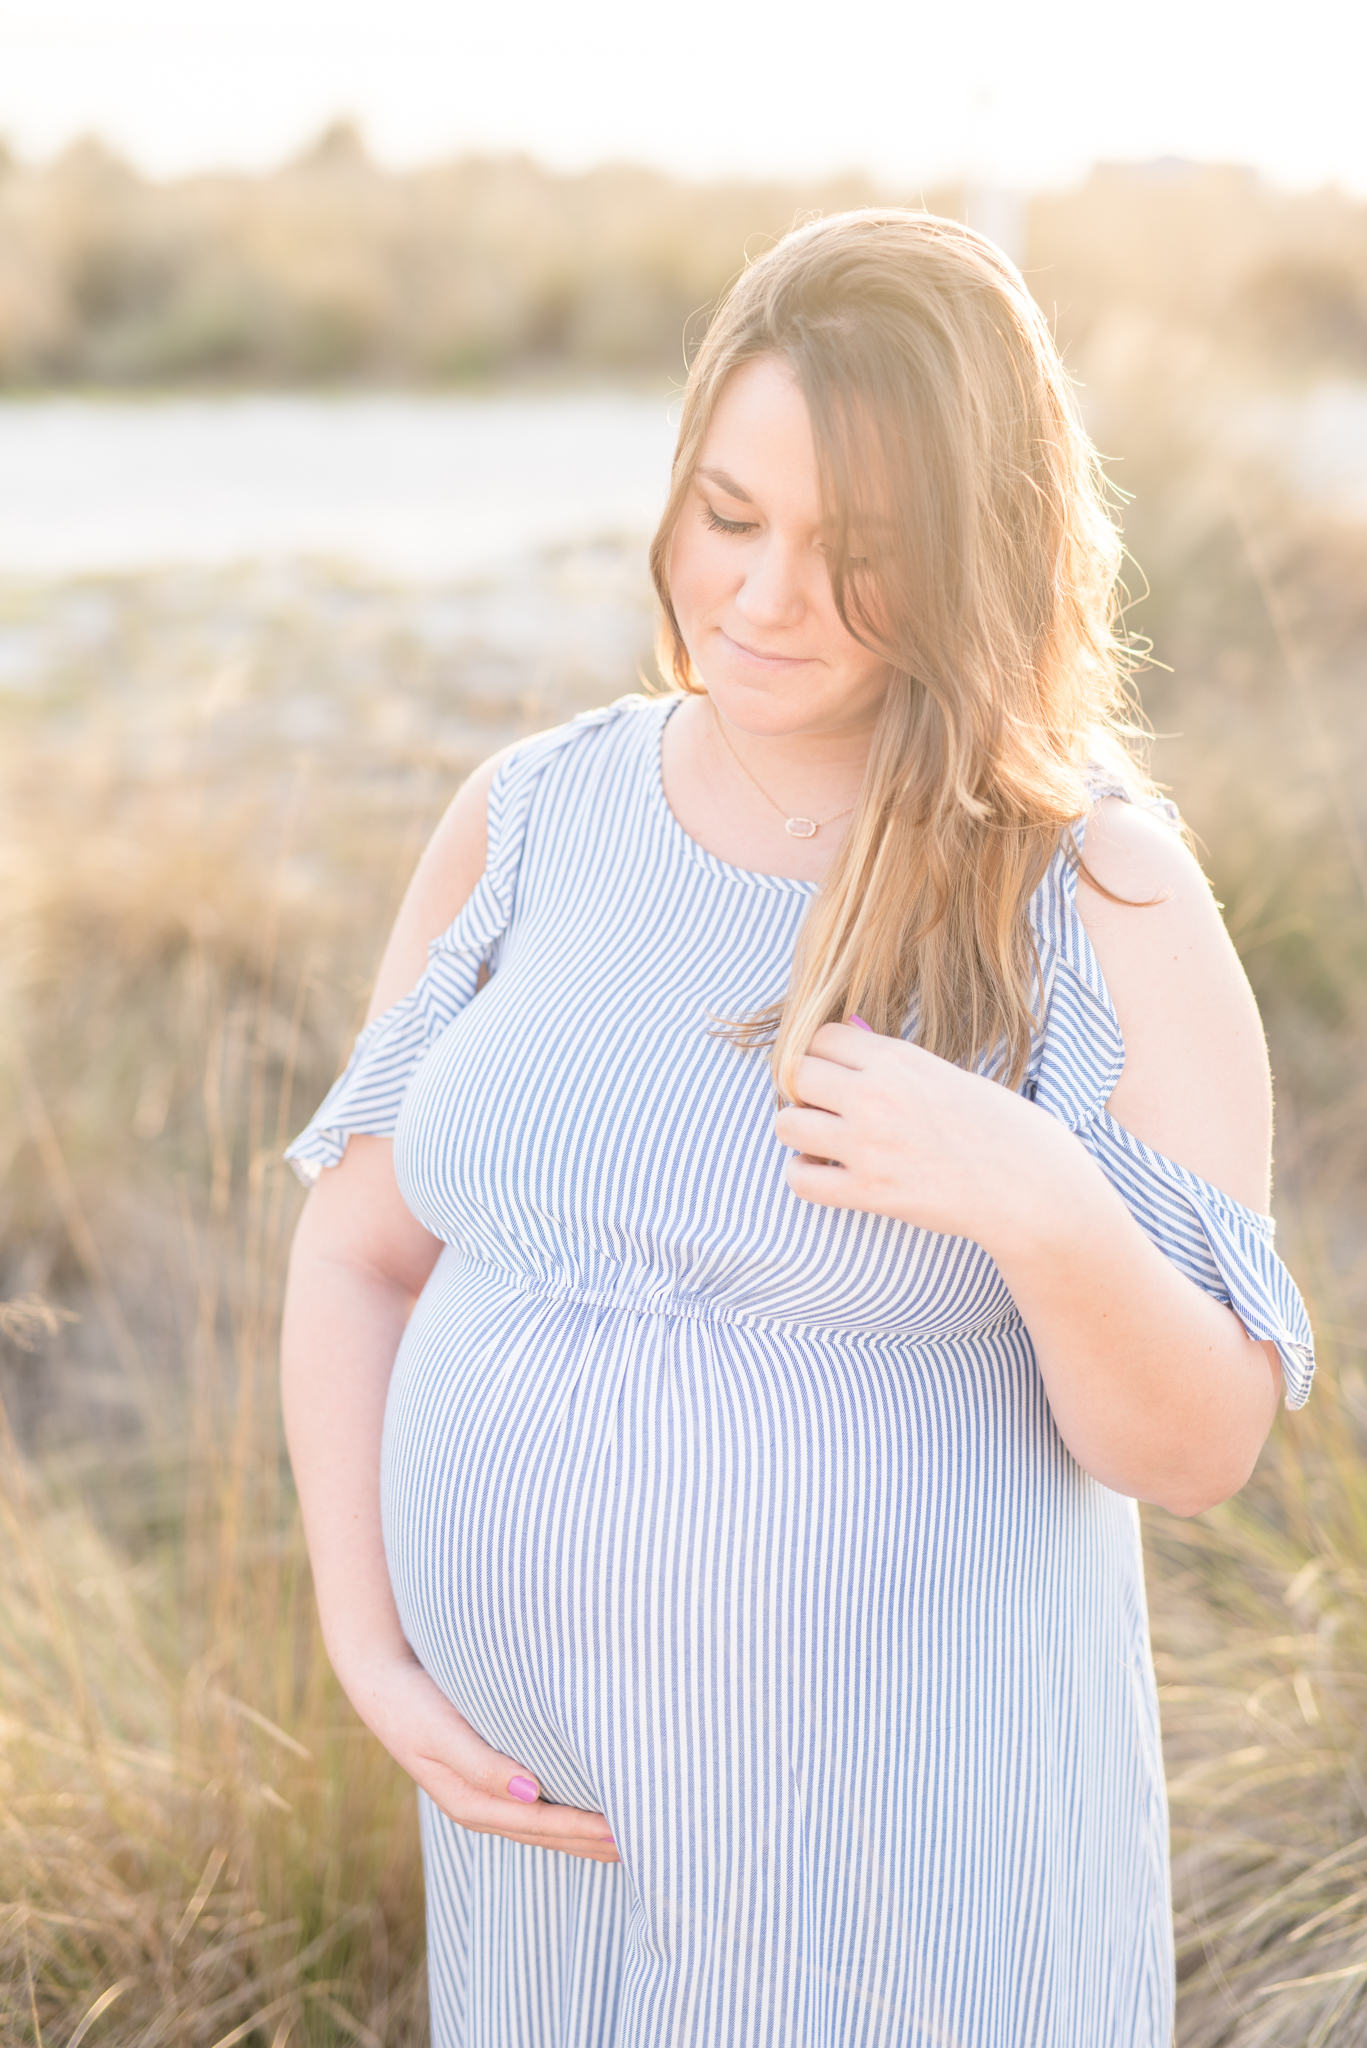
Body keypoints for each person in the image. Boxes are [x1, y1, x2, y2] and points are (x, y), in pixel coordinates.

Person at [280, 211, 1314, 2048]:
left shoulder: (1097, 895)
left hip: (909, 1894)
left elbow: (1201, 1445)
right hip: (553, 1858)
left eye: (858, 554)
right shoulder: (530, 818)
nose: (758, 600)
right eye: (727, 516)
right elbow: (360, 1253)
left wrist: (1044, 1209)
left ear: (982, 555)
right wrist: (375, 1656)